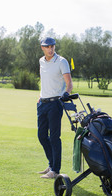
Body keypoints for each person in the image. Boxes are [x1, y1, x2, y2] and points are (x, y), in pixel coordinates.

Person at [37, 37, 73, 179]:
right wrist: (40, 97)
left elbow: (69, 83)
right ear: (42, 48)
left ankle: (55, 170)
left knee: (54, 137)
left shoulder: (61, 61)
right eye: (48, 47)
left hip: (55, 104)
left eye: (52, 46)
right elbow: (45, 81)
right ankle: (51, 164)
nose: (51, 49)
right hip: (42, 103)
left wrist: (66, 94)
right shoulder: (41, 61)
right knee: (41, 136)